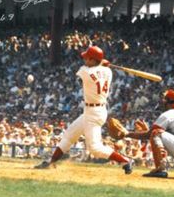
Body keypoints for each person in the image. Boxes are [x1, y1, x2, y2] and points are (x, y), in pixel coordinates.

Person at [34, 45, 134, 174]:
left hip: (93, 113)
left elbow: (88, 69)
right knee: (69, 135)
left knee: (95, 148)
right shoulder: (108, 72)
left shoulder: (86, 71)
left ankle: (125, 160)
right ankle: (51, 162)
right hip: (96, 110)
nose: (85, 60)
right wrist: (102, 64)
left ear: (93, 60)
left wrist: (101, 63)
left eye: (87, 58)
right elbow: (99, 68)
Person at [121, 89, 174, 178]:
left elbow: (151, 135)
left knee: (156, 133)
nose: (163, 102)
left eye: (165, 99)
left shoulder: (168, 114)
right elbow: (173, 135)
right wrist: (148, 131)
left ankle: (160, 169)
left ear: (169, 101)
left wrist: (126, 134)